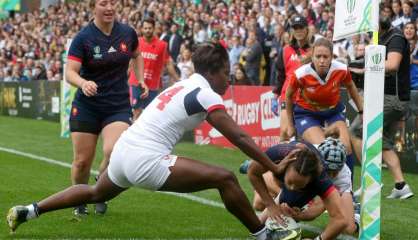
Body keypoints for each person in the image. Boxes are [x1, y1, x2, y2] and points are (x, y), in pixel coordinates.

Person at [7, 43, 285, 240]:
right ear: (214, 71)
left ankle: (31, 210)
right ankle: (262, 235)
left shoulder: (182, 85)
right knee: (225, 178)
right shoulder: (205, 92)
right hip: (144, 158)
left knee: (94, 194)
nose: (229, 78)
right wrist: (272, 166)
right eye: (227, 72)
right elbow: (238, 136)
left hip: (124, 151)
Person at [64, 0, 145, 216]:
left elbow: (137, 55)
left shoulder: (128, 33)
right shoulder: (83, 38)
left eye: (112, 3)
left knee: (113, 151)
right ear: (93, 7)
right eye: (103, 3)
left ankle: (101, 187)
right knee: (82, 162)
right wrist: (83, 83)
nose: (109, 7)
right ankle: (79, 199)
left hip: (117, 105)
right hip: (87, 106)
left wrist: (141, 79)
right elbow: (69, 72)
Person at [350, 15, 414, 199]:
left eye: (382, 12)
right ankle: (401, 186)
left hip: (391, 99)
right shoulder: (381, 37)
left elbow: (392, 65)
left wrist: (364, 69)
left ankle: (370, 181)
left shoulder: (395, 37)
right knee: (383, 141)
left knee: (356, 131)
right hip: (390, 98)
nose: (381, 16)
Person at [285, 38, 363, 178]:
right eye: (318, 56)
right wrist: (290, 125)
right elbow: (289, 96)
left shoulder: (341, 70)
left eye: (325, 57)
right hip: (306, 114)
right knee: (323, 149)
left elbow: (351, 86)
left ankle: (349, 191)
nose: (322, 60)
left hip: (333, 112)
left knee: (345, 148)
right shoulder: (300, 74)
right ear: (312, 56)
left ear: (332, 57)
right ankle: (325, 191)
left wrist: (361, 110)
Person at [248, 140, 348, 240]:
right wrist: (271, 205)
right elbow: (252, 172)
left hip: (304, 180)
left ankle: (283, 195)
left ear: (310, 181)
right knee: (260, 207)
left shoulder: (320, 180)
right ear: (286, 165)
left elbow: (340, 220)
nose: (292, 188)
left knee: (285, 206)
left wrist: (316, 238)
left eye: (299, 185)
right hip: (280, 165)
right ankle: (261, 167)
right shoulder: (278, 154)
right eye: (290, 182)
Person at [129, 17, 180, 120]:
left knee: (149, 114)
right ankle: (134, 133)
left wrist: (177, 80)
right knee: (136, 111)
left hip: (152, 85)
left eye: (150, 28)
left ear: (154, 29)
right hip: (136, 83)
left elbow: (168, 64)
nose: (147, 30)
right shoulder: (136, 42)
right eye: (145, 28)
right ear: (142, 29)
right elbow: (130, 61)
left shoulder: (162, 45)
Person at [274, 15, 311, 142]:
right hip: (287, 95)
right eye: (295, 28)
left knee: (302, 136)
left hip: (306, 97)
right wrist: (276, 94)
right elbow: (280, 73)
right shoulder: (286, 50)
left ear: (307, 29)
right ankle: (282, 162)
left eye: (301, 27)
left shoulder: (314, 50)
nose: (298, 31)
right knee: (285, 133)